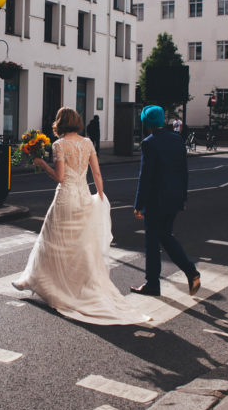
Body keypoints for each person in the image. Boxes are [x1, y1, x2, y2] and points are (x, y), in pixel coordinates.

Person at [12, 107, 149, 325]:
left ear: (60, 123)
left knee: (52, 241)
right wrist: (101, 195)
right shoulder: (87, 143)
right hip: (84, 196)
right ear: (76, 122)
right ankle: (72, 286)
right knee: (80, 245)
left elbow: (59, 177)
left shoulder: (59, 145)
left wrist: (41, 164)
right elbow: (96, 173)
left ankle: (35, 281)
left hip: (66, 197)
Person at [132, 105, 201, 297]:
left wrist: (139, 204)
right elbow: (183, 171)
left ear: (146, 123)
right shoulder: (177, 140)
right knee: (165, 236)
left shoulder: (149, 143)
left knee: (152, 243)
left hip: (155, 202)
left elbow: (145, 177)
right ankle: (190, 271)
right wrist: (183, 197)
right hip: (174, 198)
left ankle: (153, 283)